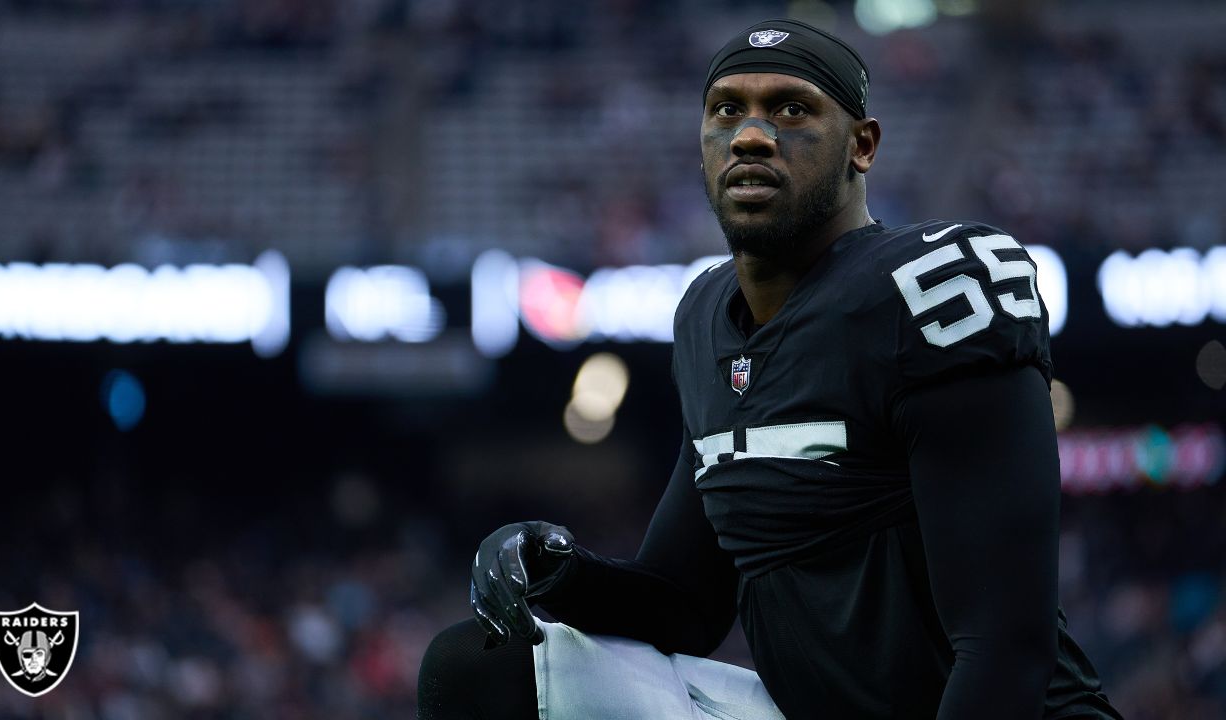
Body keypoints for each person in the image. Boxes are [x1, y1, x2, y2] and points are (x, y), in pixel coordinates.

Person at [418, 18, 1122, 720]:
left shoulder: (930, 291)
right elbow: (686, 605)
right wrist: (558, 572)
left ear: (863, 146)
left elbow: (1005, 648)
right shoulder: (704, 314)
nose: (751, 135)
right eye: (727, 109)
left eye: (792, 108)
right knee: (477, 667)